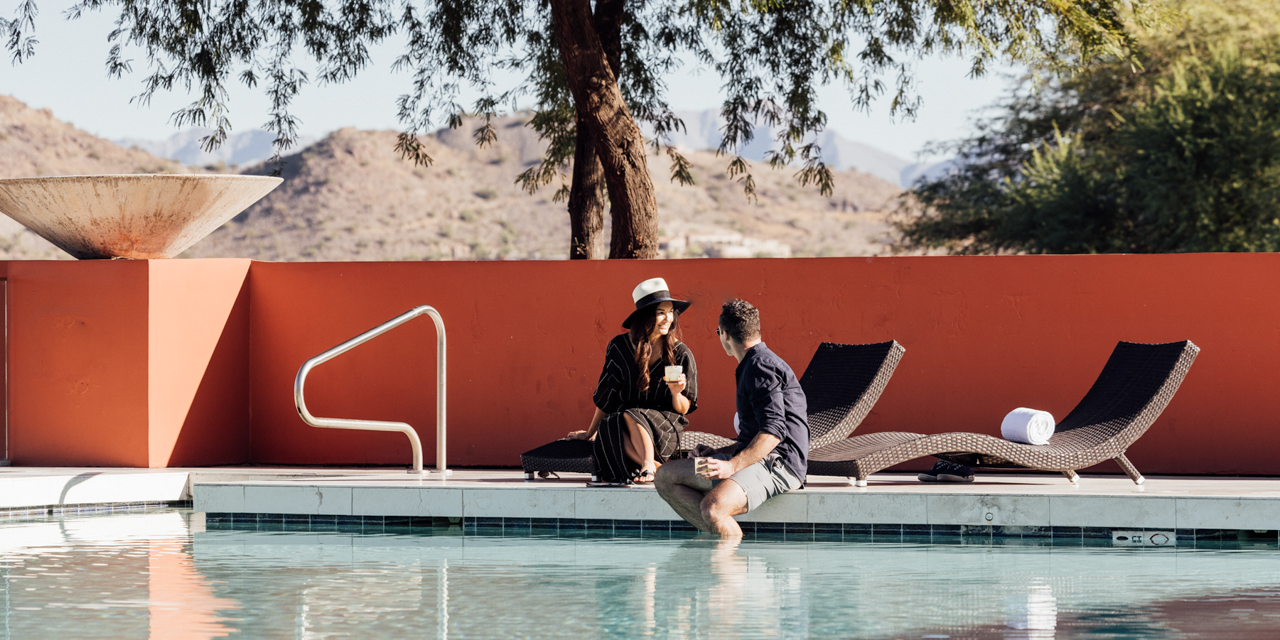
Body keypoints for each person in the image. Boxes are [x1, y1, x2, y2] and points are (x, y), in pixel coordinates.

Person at [655, 299, 808, 536]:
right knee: (666, 477)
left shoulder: (760, 366)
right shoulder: (753, 364)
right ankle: (720, 541)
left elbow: (773, 432)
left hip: (780, 463)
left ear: (725, 335)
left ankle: (735, 561)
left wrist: (731, 465)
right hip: (759, 457)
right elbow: (754, 436)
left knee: (714, 508)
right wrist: (718, 453)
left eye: (718, 333)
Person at [566, 277, 698, 483]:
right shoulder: (619, 346)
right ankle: (657, 468)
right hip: (624, 428)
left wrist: (676, 393)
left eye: (671, 312)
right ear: (644, 316)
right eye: (660, 313)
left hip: (664, 429)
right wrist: (590, 433)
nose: (668, 319)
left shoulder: (681, 353)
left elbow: (684, 408)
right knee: (610, 424)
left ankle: (647, 464)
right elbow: (607, 396)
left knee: (630, 414)